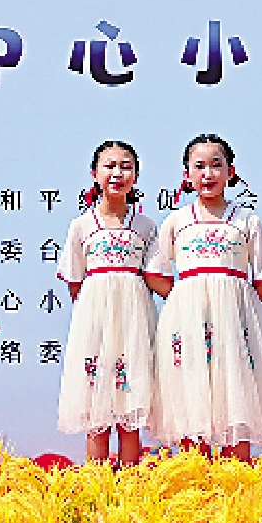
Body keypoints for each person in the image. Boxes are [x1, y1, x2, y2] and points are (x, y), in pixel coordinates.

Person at [145, 134, 262, 460]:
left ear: (230, 171)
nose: (207, 174)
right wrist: (183, 300)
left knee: (236, 393)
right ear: (187, 174)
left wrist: (238, 304)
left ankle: (235, 478)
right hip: (188, 324)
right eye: (199, 166)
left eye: (215, 165)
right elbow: (155, 272)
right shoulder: (176, 221)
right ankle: (194, 477)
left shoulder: (247, 220)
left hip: (234, 324)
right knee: (191, 393)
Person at [55, 141, 161, 466]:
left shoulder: (146, 227)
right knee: (96, 414)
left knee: (130, 413)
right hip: (95, 323)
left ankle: (130, 487)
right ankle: (97, 488)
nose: (117, 173)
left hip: (134, 323)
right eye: (110, 166)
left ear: (136, 177)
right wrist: (95, 315)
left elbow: (155, 275)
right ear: (94, 173)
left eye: (126, 167)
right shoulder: (81, 226)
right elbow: (75, 282)